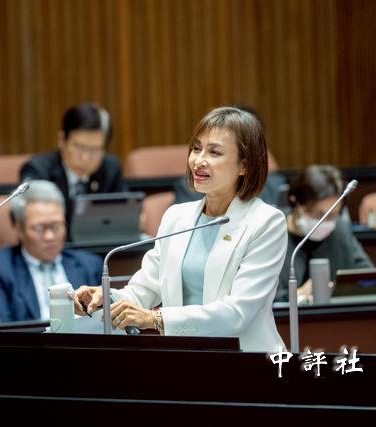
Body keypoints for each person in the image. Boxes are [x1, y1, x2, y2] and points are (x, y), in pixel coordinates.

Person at [74, 106, 288, 352]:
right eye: (196, 149)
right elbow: (145, 289)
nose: (199, 160)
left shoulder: (266, 222)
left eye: (214, 152)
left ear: (245, 166)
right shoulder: (177, 217)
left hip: (246, 361)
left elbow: (238, 313)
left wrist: (156, 319)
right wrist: (105, 298)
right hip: (186, 357)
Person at [0, 180, 102, 323]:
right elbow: (1, 327)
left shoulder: (90, 265)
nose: (50, 237)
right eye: (39, 228)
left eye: (56, 226)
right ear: (18, 228)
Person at [275, 165, 374, 302]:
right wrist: (294, 296)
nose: (325, 221)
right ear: (295, 202)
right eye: (319, 214)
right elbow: (260, 297)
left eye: (332, 215)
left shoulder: (340, 230)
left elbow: (368, 277)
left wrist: (339, 289)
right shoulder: (272, 233)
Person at [19, 103, 126, 229]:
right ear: (62, 141)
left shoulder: (111, 168)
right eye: (79, 147)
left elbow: (122, 216)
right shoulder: (38, 170)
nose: (85, 157)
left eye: (95, 150)